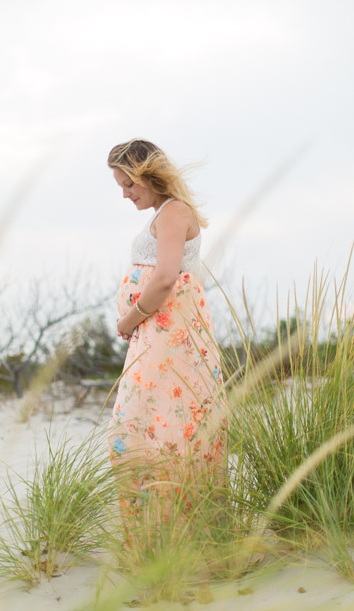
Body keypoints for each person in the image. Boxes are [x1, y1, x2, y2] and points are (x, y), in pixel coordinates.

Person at [106, 138, 226, 544]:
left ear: (147, 175)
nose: (125, 194)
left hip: (166, 334)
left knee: (159, 430)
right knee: (147, 430)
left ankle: (176, 541)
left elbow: (165, 277)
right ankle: (161, 539)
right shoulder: (164, 212)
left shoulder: (174, 211)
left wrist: (130, 319)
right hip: (156, 334)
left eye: (129, 185)